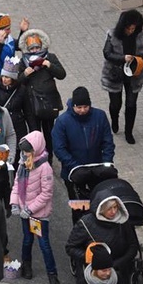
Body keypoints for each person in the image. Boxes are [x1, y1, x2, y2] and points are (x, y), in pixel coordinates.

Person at [52, 86, 115, 225]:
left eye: (85, 106)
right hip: (74, 174)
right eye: (79, 107)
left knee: (99, 205)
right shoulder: (62, 122)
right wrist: (75, 167)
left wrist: (107, 163)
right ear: (73, 105)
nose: (82, 110)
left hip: (97, 172)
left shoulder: (100, 116)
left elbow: (108, 142)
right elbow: (59, 148)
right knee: (79, 208)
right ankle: (80, 234)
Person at [9, 131, 62, 284]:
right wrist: (15, 203)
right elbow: (17, 184)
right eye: (23, 152)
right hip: (25, 211)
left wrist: (30, 209)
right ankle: (27, 265)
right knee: (27, 239)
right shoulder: (23, 163)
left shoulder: (45, 168)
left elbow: (46, 193)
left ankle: (53, 276)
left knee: (44, 244)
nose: (24, 155)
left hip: (38, 214)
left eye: (27, 152)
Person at [66, 184, 139, 284]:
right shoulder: (86, 224)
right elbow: (71, 247)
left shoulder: (123, 221)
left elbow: (133, 246)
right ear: (101, 208)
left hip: (119, 273)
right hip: (95, 276)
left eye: (115, 207)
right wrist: (90, 258)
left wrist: (117, 264)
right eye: (109, 208)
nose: (114, 211)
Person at [102, 9, 143, 145]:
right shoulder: (112, 35)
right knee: (116, 103)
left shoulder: (140, 36)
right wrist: (123, 58)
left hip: (134, 73)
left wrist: (141, 59)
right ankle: (115, 119)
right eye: (129, 28)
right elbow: (107, 53)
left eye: (133, 28)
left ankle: (129, 132)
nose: (131, 31)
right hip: (115, 73)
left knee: (131, 104)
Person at [17, 28, 66, 159]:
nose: (35, 51)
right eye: (32, 49)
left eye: (37, 48)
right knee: (35, 133)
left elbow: (62, 74)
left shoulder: (50, 58)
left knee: (49, 132)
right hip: (32, 105)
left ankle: (49, 157)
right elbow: (17, 81)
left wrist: (48, 65)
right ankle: (37, 157)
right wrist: (25, 74)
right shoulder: (23, 62)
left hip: (48, 103)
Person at [0, 56, 28, 160]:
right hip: (0, 126)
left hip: (17, 126)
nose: (4, 80)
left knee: (16, 153)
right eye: (3, 76)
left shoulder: (22, 90)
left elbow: (28, 111)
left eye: (8, 77)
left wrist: (33, 130)